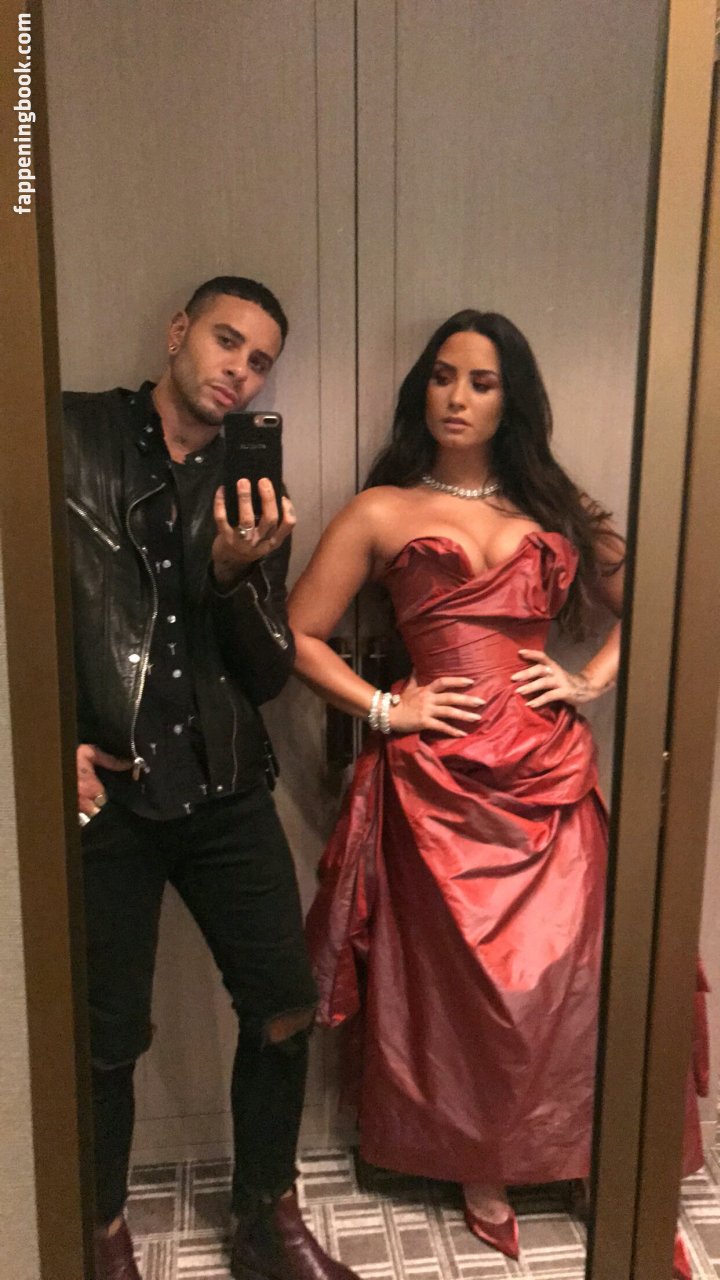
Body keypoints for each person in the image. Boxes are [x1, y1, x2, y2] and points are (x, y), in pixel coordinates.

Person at [288, 309, 624, 1262]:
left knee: (570, 975)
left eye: (482, 381)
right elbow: (298, 634)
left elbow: (664, 595)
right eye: (442, 376)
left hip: (549, 776)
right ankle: (480, 1159)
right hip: (437, 783)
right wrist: (384, 709)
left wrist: (590, 680)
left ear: (512, 399)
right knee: (462, 985)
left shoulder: (556, 506)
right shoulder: (381, 510)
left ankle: (575, 1144)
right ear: (422, 388)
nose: (457, 398)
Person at [64, 276, 360, 1280]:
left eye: (261, 359)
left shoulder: (252, 490)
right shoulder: (69, 435)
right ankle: (100, 1233)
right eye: (227, 341)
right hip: (108, 796)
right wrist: (47, 740)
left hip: (224, 784)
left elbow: (269, 673)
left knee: (284, 1002)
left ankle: (266, 1220)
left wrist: (237, 575)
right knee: (105, 1035)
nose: (240, 369)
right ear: (178, 330)